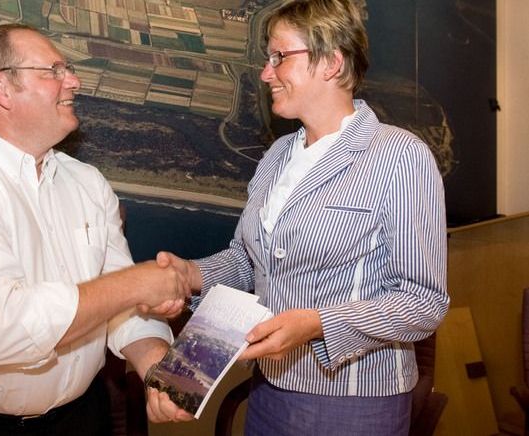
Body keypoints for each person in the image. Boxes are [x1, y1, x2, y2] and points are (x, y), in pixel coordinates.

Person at [154, 0, 449, 433]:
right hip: (268, 389)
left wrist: (317, 323)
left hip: (354, 402)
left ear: (331, 62)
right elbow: (246, 261)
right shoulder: (277, 156)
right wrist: (189, 274)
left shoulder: (400, 156)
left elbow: (424, 301)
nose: (265, 72)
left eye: (279, 57)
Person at [0, 23, 191, 435]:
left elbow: (118, 306)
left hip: (84, 419)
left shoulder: (86, 182)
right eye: (53, 70)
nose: (74, 81)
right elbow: (0, 329)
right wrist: (137, 284)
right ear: (2, 88)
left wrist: (153, 359)